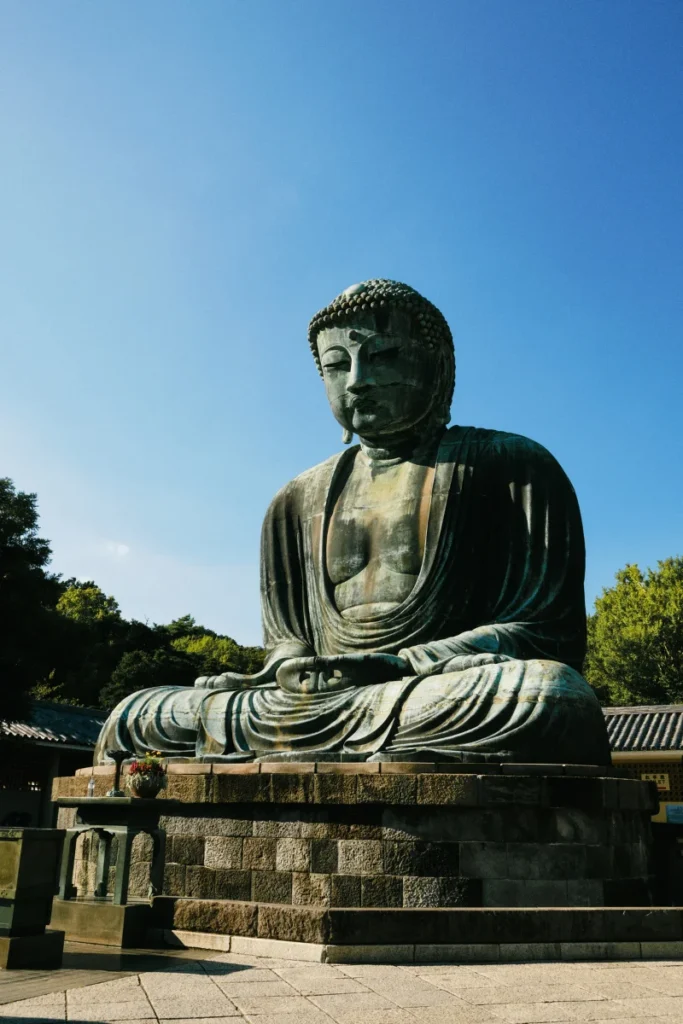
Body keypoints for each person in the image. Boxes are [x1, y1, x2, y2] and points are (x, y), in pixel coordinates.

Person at [95, 280, 610, 765]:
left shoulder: (511, 467)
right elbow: (289, 641)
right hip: (317, 702)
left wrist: (403, 663)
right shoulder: (293, 501)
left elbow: (547, 635)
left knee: (551, 697)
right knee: (135, 716)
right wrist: (279, 668)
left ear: (437, 365)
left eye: (383, 356)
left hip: (430, 690)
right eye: (336, 365)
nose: (358, 382)